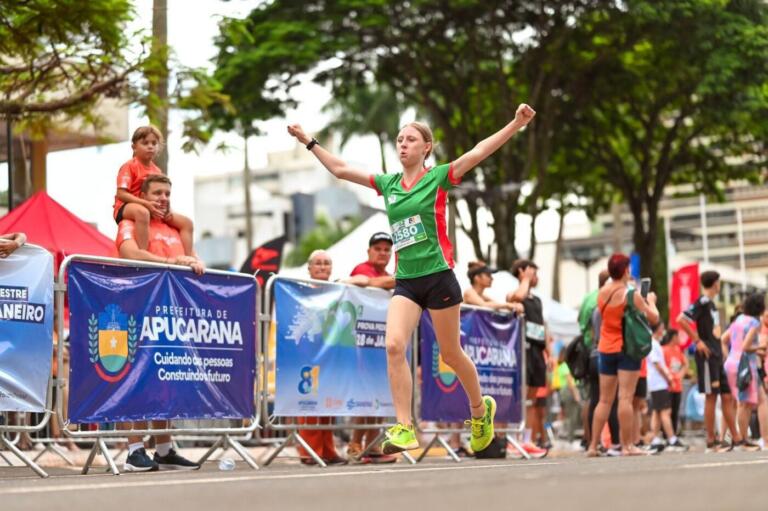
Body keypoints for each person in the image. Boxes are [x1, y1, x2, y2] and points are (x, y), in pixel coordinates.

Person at [287, 103, 536, 455]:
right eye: (399, 139)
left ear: (426, 148)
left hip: (439, 276)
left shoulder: (438, 178)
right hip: (406, 281)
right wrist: (308, 141)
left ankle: (481, 411)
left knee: (451, 353)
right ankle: (404, 427)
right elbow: (341, 170)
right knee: (393, 346)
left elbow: (478, 151)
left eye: (410, 139)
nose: (403, 144)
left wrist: (515, 124)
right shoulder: (388, 184)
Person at [115, 174, 204, 472]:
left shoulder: (175, 227)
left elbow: (188, 258)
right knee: (137, 381)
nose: (163, 198)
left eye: (167, 193)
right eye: (157, 193)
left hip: (170, 316)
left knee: (164, 382)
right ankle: (134, 450)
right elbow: (129, 254)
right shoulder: (132, 221)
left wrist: (195, 261)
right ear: (143, 194)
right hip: (138, 310)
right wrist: (173, 263)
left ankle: (164, 450)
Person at [586, 253, 659, 457]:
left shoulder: (601, 293)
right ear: (626, 270)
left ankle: (593, 446)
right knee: (625, 398)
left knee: (604, 400)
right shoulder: (630, 294)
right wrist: (651, 301)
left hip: (605, 348)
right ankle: (627, 446)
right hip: (626, 349)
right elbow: (653, 317)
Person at [676, 271, 742, 453]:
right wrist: (697, 341)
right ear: (715, 283)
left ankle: (736, 438)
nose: (719, 285)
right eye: (719, 282)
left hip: (717, 357)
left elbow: (716, 333)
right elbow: (681, 319)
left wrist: (722, 352)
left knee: (727, 396)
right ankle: (711, 442)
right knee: (711, 396)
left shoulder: (712, 304)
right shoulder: (702, 302)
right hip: (706, 357)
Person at [346, 233, 397, 464]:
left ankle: (373, 445)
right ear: (369, 251)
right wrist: (386, 281)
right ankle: (355, 443)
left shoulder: (385, 275)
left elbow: (389, 282)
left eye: (387, 249)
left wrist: (374, 282)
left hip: (381, 343)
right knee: (365, 395)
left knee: (380, 394)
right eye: (378, 248)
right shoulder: (361, 267)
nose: (382, 252)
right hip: (360, 343)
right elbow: (367, 281)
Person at [295, 249, 348, 465]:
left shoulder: (338, 291)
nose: (322, 267)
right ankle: (309, 451)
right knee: (308, 403)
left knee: (327, 404)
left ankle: (327, 449)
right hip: (307, 355)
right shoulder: (300, 291)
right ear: (309, 268)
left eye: (326, 263)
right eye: (318, 263)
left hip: (330, 355)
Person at [113, 126, 194, 255]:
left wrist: (168, 210)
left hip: (151, 207)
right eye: (145, 143)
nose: (150, 146)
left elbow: (163, 192)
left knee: (186, 222)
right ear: (134, 147)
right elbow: (121, 194)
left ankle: (190, 258)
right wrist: (145, 204)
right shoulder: (129, 166)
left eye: (154, 143)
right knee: (142, 213)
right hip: (125, 207)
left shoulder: (157, 171)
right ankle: (143, 253)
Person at [507, 259, 550, 458]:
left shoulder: (537, 300)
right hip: (521, 350)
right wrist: (524, 278)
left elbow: (542, 328)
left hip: (536, 350)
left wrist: (547, 352)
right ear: (522, 273)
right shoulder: (516, 295)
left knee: (532, 398)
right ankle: (514, 440)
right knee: (521, 397)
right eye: (532, 272)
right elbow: (516, 296)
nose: (535, 277)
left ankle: (527, 440)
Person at [722, 293, 767, 450]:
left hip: (732, 363)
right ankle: (749, 440)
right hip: (746, 365)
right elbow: (746, 346)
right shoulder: (755, 322)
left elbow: (724, 339)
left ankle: (741, 439)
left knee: (745, 402)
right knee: (750, 403)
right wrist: (761, 348)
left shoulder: (738, 320)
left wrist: (731, 356)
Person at [646, 323, 688, 453]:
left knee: (657, 412)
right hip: (658, 382)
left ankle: (655, 439)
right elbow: (657, 364)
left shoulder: (655, 343)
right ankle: (671, 439)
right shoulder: (653, 344)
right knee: (665, 411)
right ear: (657, 329)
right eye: (662, 328)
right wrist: (668, 377)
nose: (663, 331)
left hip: (658, 382)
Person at [662, 329, 687, 436]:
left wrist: (681, 374)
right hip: (667, 386)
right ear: (673, 337)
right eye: (678, 336)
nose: (679, 339)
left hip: (677, 386)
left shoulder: (678, 350)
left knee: (675, 411)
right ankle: (666, 434)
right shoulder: (664, 350)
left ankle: (674, 434)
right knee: (667, 411)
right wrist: (669, 377)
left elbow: (685, 364)